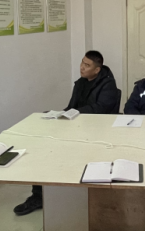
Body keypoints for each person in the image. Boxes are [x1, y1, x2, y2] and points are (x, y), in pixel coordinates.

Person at [14, 50, 120, 216]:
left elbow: (99, 110)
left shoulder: (108, 85)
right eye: (82, 63)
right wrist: (58, 115)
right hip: (77, 126)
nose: (82, 67)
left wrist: (73, 113)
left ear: (97, 69)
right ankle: (38, 196)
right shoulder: (80, 83)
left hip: (97, 131)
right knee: (44, 146)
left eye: (87, 65)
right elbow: (71, 107)